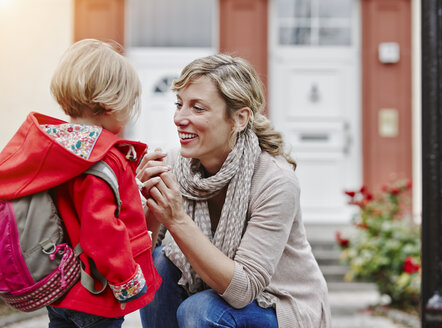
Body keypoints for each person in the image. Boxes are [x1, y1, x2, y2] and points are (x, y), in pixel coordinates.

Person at [137, 54, 331, 327]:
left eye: (198, 108)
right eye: (179, 105)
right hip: (211, 293)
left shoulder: (275, 181)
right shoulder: (173, 167)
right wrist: (151, 205)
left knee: (199, 310)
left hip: (279, 304)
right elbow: (138, 258)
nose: (180, 118)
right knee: (158, 263)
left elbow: (243, 290)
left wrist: (177, 219)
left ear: (239, 118)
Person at [0, 39, 161, 327]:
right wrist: (127, 280)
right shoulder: (103, 158)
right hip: (95, 294)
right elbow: (102, 231)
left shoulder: (53, 149)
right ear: (111, 104)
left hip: (59, 286)